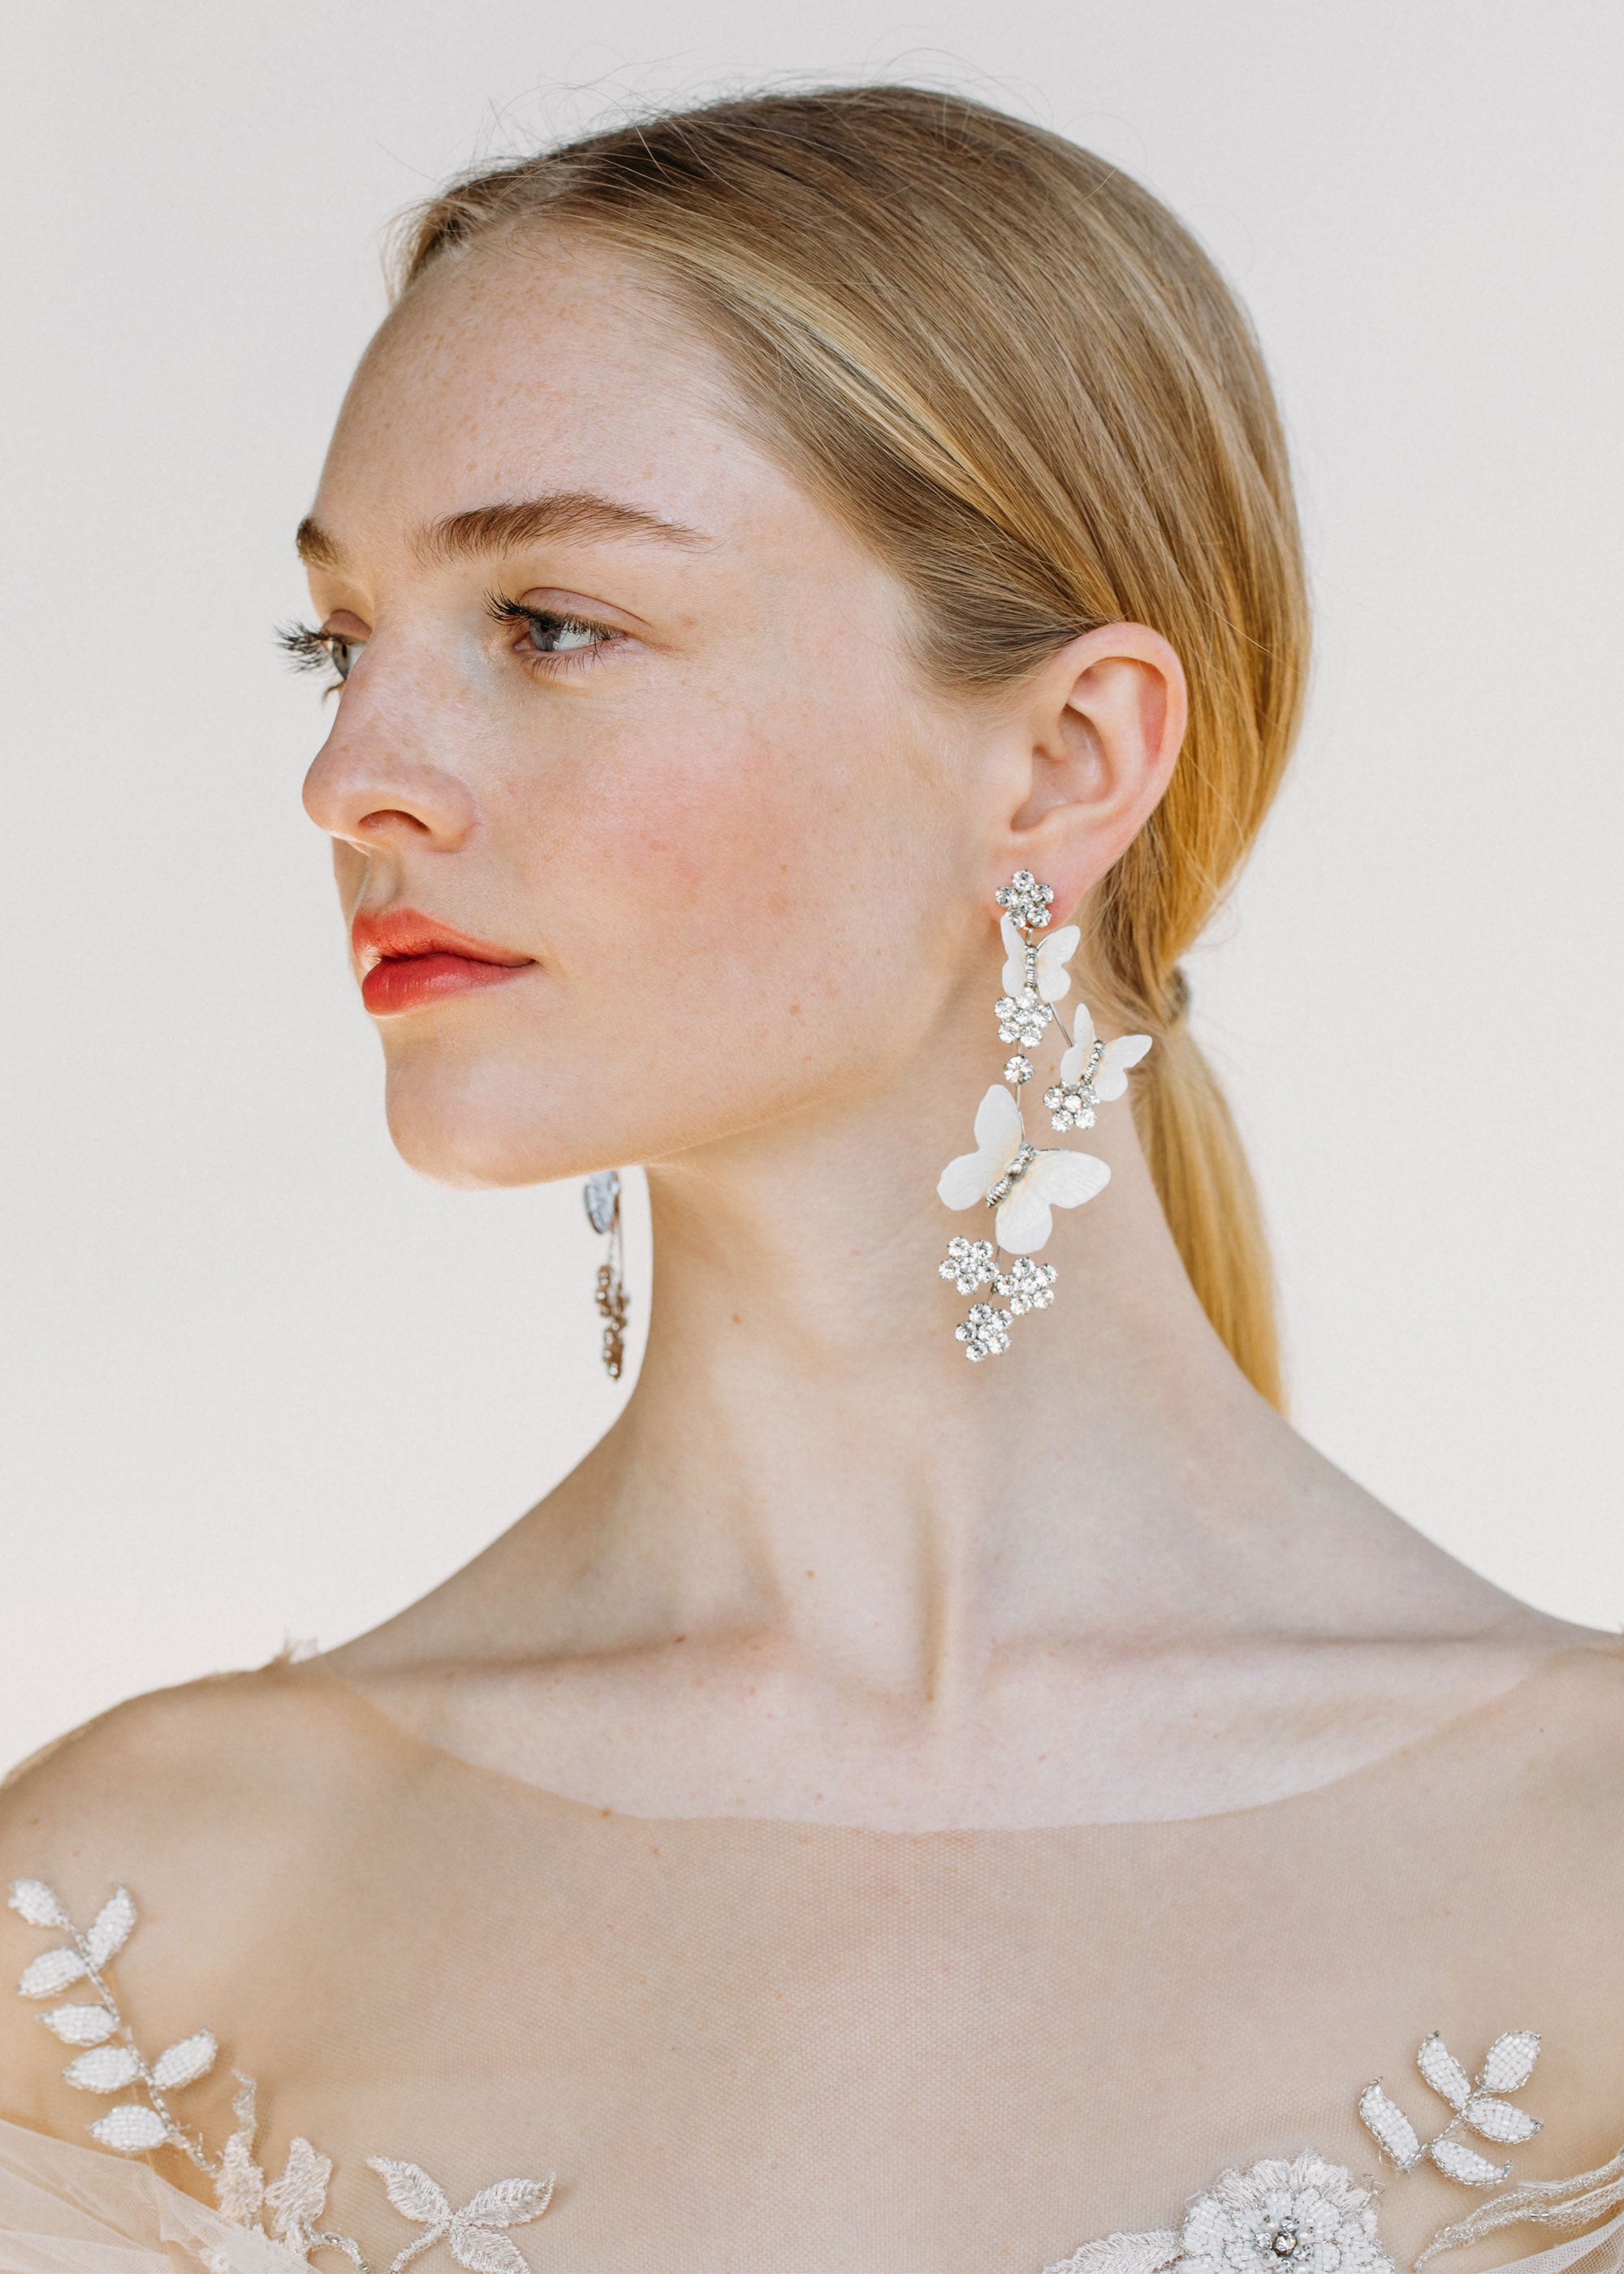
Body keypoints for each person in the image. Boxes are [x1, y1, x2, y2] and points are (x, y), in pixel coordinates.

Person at [2, 84, 1621, 2274]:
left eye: (549, 622)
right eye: (340, 640)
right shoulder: (136, 1924)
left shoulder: (1583, 1883)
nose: (351, 775)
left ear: (1064, 759)